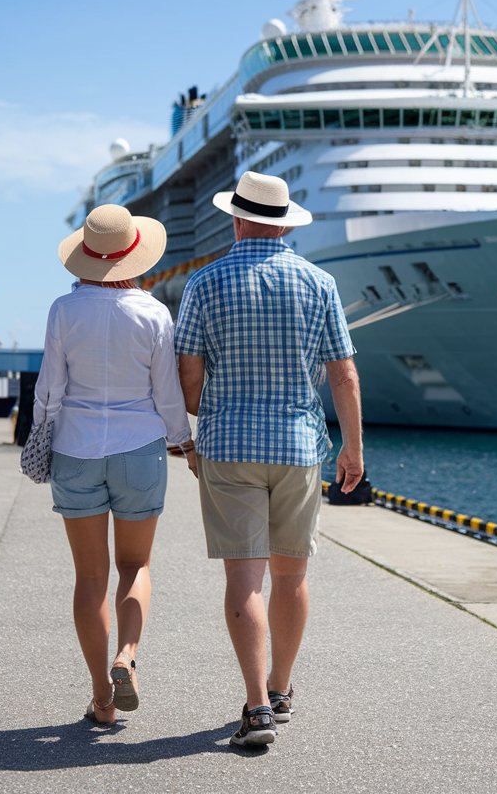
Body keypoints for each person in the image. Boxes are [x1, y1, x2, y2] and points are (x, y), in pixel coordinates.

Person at [175, 170, 363, 748]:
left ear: (235, 217)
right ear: (283, 223)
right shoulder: (319, 282)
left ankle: (256, 706)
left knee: (244, 579)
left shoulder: (204, 283)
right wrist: (353, 447)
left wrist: (198, 421)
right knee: (292, 574)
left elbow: (187, 368)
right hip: (299, 446)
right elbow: (343, 373)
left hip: (229, 446)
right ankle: (281, 689)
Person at [34, 204, 197, 727]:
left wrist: (44, 433)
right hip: (140, 448)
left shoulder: (63, 310)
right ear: (134, 254)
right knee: (136, 566)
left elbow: (49, 390)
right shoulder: (153, 313)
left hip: (76, 449)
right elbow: (167, 395)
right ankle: (127, 654)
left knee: (89, 577)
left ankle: (102, 698)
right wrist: (185, 443)